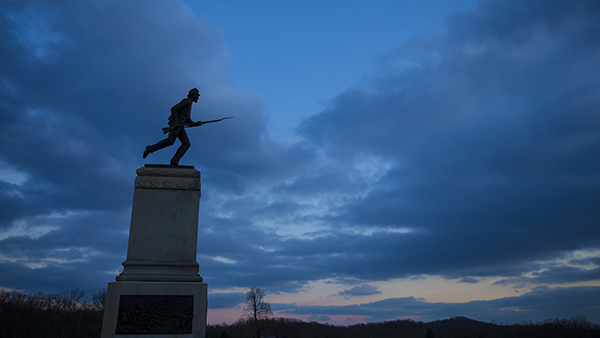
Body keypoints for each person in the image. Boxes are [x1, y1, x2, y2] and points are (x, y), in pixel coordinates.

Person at [143, 88, 201, 165]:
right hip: (176, 125)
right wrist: (176, 122)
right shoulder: (186, 101)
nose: (198, 97)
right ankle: (150, 149)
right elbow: (174, 109)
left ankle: (174, 160)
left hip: (180, 126)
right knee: (171, 141)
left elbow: (187, 120)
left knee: (185, 143)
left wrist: (195, 124)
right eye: (197, 95)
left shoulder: (189, 104)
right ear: (193, 95)